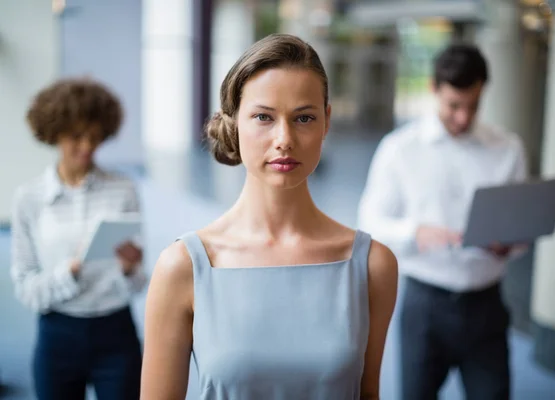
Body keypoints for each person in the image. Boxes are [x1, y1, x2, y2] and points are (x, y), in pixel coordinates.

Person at [141, 33, 398, 399]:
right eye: (263, 116)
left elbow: (367, 393)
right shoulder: (183, 267)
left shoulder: (373, 265)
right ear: (234, 122)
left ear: (326, 121)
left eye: (304, 118)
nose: (284, 139)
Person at [357, 43, 528, 400]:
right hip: (425, 308)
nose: (464, 117)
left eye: (473, 106)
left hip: (487, 307)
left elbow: (521, 227)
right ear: (434, 89)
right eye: (454, 106)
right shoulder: (399, 148)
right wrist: (415, 231)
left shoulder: (508, 148)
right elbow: (369, 222)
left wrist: (510, 243)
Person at [10, 77, 146, 400]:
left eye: (95, 138)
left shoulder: (123, 189)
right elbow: (25, 288)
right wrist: (67, 274)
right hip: (58, 334)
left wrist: (129, 269)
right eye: (76, 137)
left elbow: (139, 283)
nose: (87, 147)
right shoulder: (29, 199)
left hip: (116, 332)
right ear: (54, 133)